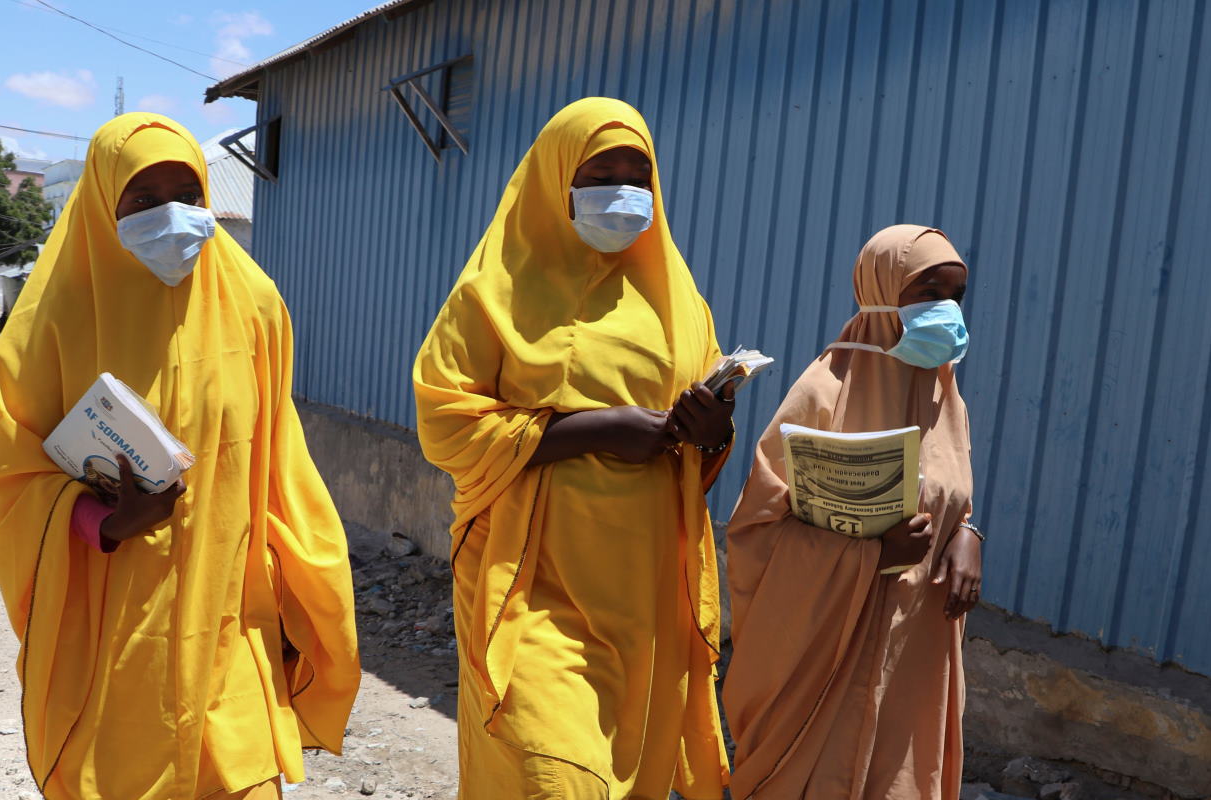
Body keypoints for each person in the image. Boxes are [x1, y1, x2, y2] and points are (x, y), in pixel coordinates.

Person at [0, 113, 360, 800]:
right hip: (114, 631)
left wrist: (302, 598)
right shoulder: (50, 323)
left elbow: (280, 465)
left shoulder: (255, 305)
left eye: (187, 194)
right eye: (145, 200)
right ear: (103, 204)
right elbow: (14, 479)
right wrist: (103, 521)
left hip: (230, 622)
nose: (173, 215)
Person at [413, 97, 734, 799]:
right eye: (600, 173)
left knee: (621, 767)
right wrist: (594, 430)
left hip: (640, 583)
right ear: (556, 180)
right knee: (550, 774)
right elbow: (443, 420)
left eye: (637, 174)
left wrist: (713, 431)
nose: (622, 190)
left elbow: (701, 428)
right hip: (529, 575)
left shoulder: (678, 300)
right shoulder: (492, 292)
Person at [722, 225, 982, 799]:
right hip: (821, 659)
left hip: (909, 651)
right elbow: (755, 533)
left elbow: (950, 495)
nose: (946, 309)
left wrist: (967, 534)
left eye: (956, 295)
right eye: (928, 291)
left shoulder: (946, 396)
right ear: (881, 290)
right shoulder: (822, 391)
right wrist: (868, 555)